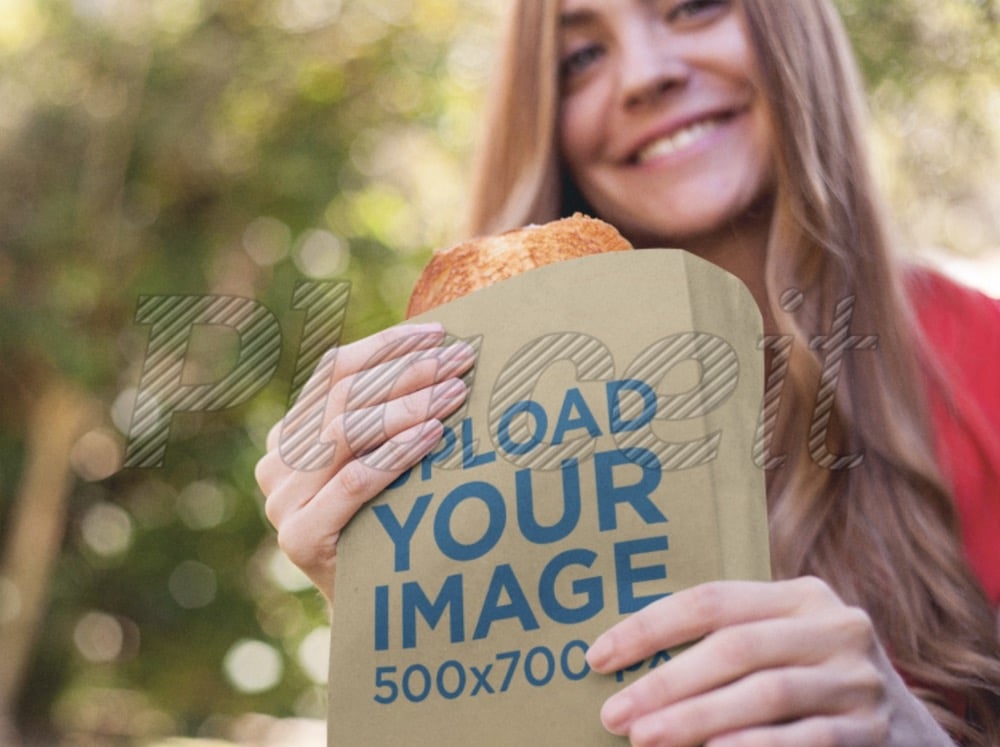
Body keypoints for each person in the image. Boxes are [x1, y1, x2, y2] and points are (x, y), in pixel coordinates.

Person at [255, 1, 1000, 744]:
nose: (643, 76)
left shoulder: (983, 360)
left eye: (695, 7)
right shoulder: (476, 425)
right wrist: (409, 614)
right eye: (580, 58)